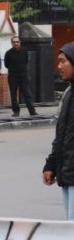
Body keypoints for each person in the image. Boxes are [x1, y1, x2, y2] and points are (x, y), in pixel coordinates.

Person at [42, 43, 74, 220]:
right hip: (68, 175)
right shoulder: (68, 93)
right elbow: (61, 135)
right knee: (70, 228)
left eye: (63, 61)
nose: (59, 66)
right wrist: (51, 164)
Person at [4, 35, 37, 117]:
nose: (16, 43)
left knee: (27, 94)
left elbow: (27, 60)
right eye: (14, 42)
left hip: (24, 75)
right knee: (13, 95)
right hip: (13, 76)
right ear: (11, 43)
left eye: (17, 42)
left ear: (20, 42)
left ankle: (32, 112)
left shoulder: (25, 50)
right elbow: (6, 65)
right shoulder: (8, 53)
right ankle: (16, 112)